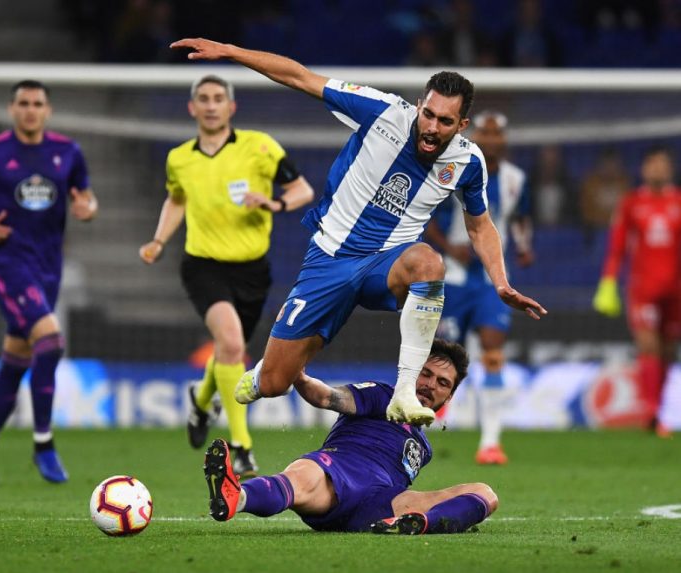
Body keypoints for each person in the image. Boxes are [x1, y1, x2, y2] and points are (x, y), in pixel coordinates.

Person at [170, 38, 546, 426]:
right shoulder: (381, 111)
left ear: (462, 125)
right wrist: (232, 52)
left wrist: (500, 282)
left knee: (429, 263)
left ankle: (404, 393)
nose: (432, 128)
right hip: (330, 258)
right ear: (419, 105)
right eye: (428, 114)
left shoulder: (468, 162)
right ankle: (280, 362)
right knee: (273, 383)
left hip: (386, 264)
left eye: (445, 121)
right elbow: (300, 77)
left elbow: (480, 224)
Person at [139, 74, 314, 478]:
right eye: (204, 98)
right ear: (192, 108)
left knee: (227, 353)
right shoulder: (179, 158)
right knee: (232, 343)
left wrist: (271, 202)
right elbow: (176, 199)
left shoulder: (260, 147)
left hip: (253, 270)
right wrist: (158, 240)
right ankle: (242, 448)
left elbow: (303, 190)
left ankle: (202, 403)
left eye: (219, 98)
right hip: (203, 266)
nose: (212, 105)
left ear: (231, 107)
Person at [0, 79, 98, 485]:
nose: (30, 110)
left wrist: (88, 207)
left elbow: (86, 197)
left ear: (47, 111)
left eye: (37, 103)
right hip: (8, 263)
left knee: (17, 358)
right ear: (12, 109)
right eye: (23, 103)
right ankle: (44, 444)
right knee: (50, 342)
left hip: (49, 267)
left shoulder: (68, 152)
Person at [203, 338, 498, 534]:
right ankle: (236, 498)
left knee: (485, 493)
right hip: (339, 474)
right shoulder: (383, 395)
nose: (431, 384)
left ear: (448, 398)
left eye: (443, 382)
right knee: (303, 475)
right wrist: (300, 377)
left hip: (381, 506)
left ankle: (422, 523)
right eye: (426, 373)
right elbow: (330, 398)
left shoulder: (424, 447)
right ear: (411, 372)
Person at [426, 111, 533, 465]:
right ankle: (426, 423)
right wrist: (447, 247)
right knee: (443, 356)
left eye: (495, 135)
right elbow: (427, 215)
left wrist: (522, 245)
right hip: (454, 276)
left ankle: (489, 442)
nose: (490, 140)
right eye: (484, 134)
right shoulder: (453, 168)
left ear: (503, 140)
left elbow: (519, 219)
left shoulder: (517, 179)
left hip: (490, 281)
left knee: (492, 353)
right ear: (475, 137)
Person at [593, 146, 681, 438]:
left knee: (668, 350)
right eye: (652, 164)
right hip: (642, 289)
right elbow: (617, 246)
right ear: (644, 170)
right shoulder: (631, 203)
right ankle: (652, 412)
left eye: (662, 165)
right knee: (649, 347)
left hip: (676, 290)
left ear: (669, 169)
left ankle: (657, 409)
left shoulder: (678, 201)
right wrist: (608, 282)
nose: (657, 170)